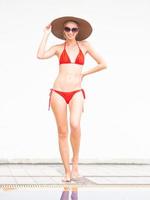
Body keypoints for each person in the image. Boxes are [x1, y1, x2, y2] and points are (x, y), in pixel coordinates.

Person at [37, 16, 107, 182]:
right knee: (62, 131)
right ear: (63, 32)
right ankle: (67, 171)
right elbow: (40, 55)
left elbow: (103, 63)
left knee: (75, 124)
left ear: (78, 31)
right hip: (58, 92)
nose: (70, 32)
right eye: (67, 29)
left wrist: (84, 73)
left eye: (74, 29)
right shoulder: (58, 48)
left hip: (76, 91)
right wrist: (46, 33)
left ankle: (75, 164)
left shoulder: (85, 46)